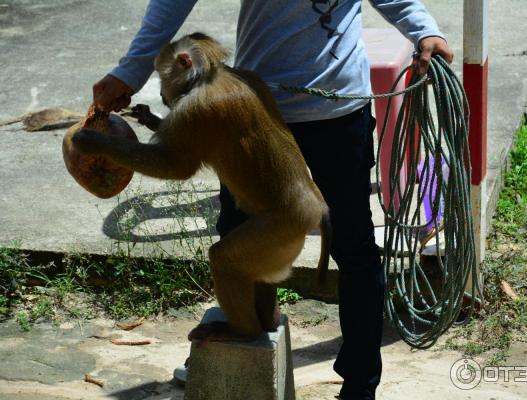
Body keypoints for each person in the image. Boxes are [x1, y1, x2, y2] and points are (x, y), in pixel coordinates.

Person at [93, 1, 452, 399]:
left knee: (355, 251)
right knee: (234, 234)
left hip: (337, 106)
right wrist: (130, 69)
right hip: (249, 102)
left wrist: (423, 29)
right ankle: (246, 341)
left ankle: (359, 384)